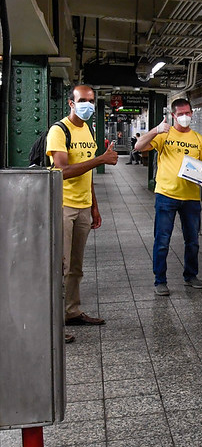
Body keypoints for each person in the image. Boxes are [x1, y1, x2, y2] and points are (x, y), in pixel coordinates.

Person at [46, 84, 119, 342]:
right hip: (63, 206)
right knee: (60, 267)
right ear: (71, 103)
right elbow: (62, 172)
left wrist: (94, 205)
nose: (87, 104)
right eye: (83, 100)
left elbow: (85, 174)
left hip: (84, 207)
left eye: (91, 100)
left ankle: (71, 312)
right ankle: (52, 323)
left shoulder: (87, 129)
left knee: (76, 266)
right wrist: (100, 159)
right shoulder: (59, 130)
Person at [135, 98, 202, 296]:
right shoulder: (164, 135)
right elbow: (138, 146)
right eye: (181, 114)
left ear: (192, 113)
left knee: (192, 240)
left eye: (188, 113)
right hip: (166, 196)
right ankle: (160, 280)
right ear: (173, 115)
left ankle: (191, 276)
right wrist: (156, 130)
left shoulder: (198, 139)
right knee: (162, 240)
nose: (185, 117)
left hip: (191, 197)